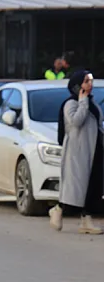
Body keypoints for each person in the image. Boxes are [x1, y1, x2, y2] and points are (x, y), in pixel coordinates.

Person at [49, 70, 104, 234]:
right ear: (77, 85)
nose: (90, 85)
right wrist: (82, 101)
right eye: (86, 81)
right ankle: (57, 210)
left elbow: (97, 124)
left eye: (91, 81)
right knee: (75, 189)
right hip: (77, 152)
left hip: (94, 149)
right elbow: (76, 121)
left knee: (92, 186)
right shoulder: (71, 103)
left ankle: (86, 220)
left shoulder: (91, 102)